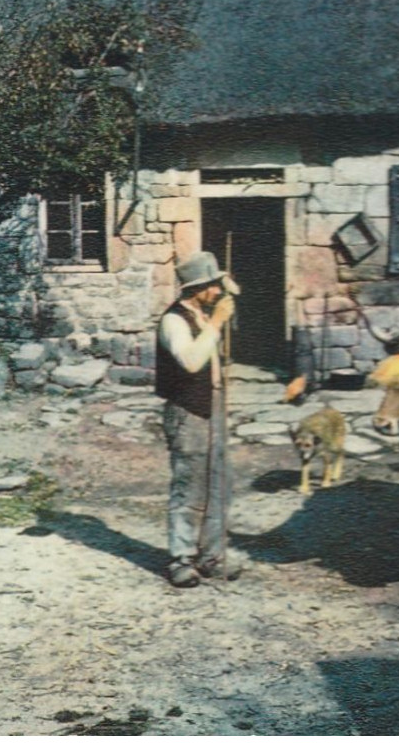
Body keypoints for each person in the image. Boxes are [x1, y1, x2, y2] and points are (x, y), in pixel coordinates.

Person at [155, 250, 247, 588]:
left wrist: (225, 292)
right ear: (197, 288)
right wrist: (218, 322)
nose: (219, 293)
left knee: (218, 485)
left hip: (214, 405)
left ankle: (212, 555)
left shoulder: (203, 313)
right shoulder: (174, 321)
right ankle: (181, 559)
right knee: (189, 486)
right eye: (213, 286)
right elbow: (192, 362)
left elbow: (231, 293)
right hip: (188, 411)